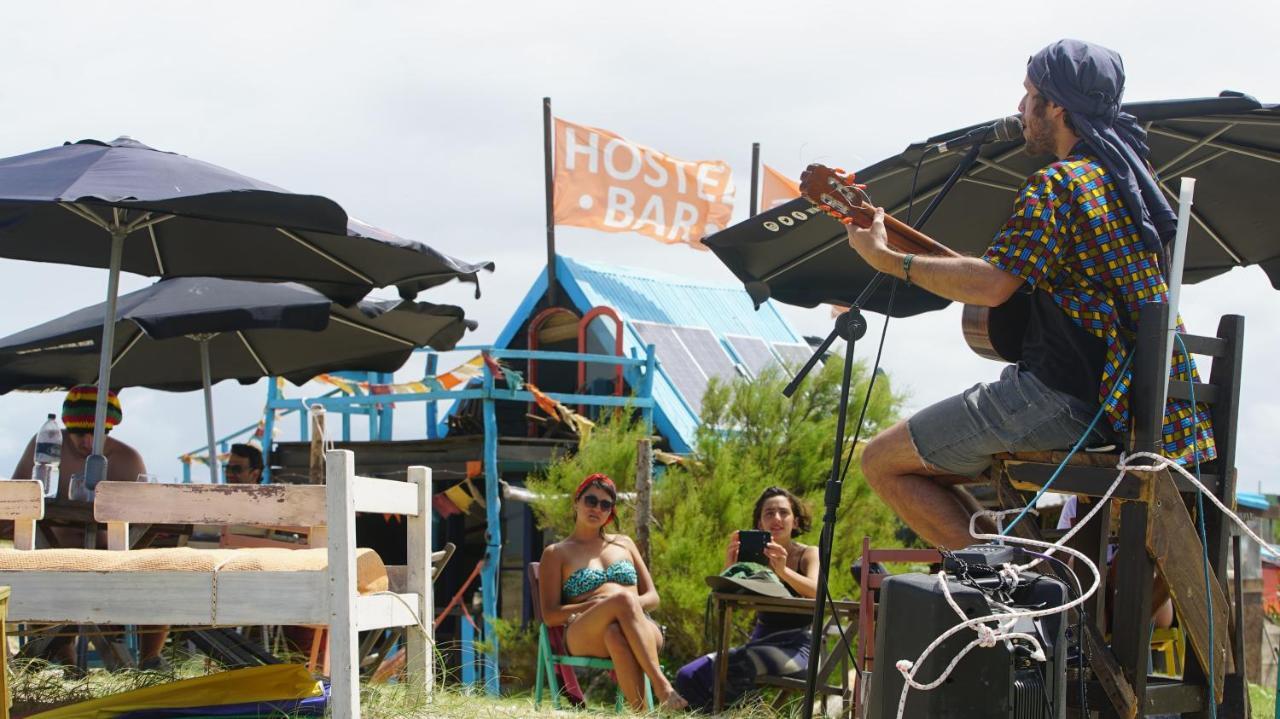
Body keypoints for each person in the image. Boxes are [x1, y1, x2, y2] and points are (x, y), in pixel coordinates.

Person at [844, 39, 1216, 551]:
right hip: (1130, 408)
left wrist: (889, 261)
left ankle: (1018, 585)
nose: (1020, 109)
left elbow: (994, 285)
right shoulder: (1130, 181)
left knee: (881, 461)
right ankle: (1024, 570)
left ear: (1056, 105)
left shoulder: (1059, 183)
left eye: (1029, 95)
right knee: (935, 461)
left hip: (1061, 399)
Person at [9, 385, 169, 671]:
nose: (86, 442)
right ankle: (69, 668)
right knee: (34, 573)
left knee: (161, 576)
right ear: (66, 426)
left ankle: (149, 662)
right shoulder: (44, 448)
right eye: (79, 433)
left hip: (113, 567)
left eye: (97, 434)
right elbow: (14, 500)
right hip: (51, 564)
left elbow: (153, 518)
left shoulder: (127, 460)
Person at [537, 473, 686, 711]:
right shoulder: (557, 553)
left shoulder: (624, 544)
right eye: (591, 500)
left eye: (606, 504)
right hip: (583, 630)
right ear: (576, 502)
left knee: (615, 633)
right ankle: (663, 687)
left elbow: (652, 597)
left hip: (640, 625)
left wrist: (625, 604)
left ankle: (642, 714)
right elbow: (551, 615)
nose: (597, 508)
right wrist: (602, 604)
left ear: (611, 512)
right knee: (620, 601)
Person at [673, 486, 820, 712]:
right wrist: (730, 568)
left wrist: (782, 571)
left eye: (784, 512)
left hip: (798, 650)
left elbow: (818, 591)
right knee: (688, 676)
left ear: (796, 522)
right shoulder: (754, 559)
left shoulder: (807, 554)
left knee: (738, 665)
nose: (777, 518)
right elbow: (725, 600)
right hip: (759, 643)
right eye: (769, 513)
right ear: (759, 524)